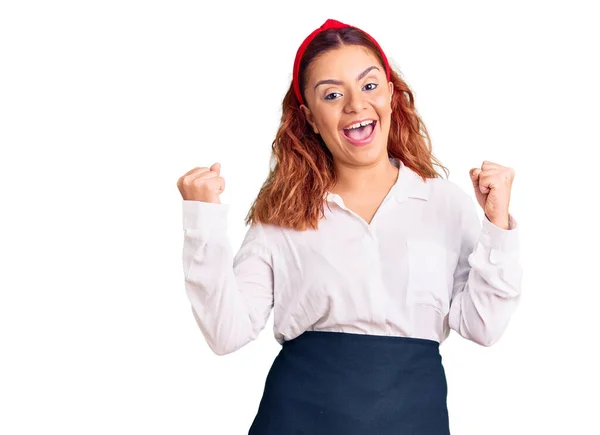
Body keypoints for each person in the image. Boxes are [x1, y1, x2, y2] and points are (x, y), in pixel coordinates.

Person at [176, 18, 521, 435]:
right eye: (333, 94)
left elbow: (482, 327)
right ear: (309, 118)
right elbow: (225, 333)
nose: (356, 105)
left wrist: (498, 223)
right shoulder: (282, 214)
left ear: (392, 96)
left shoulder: (445, 204)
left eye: (370, 85)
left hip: (415, 422)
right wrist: (202, 221)